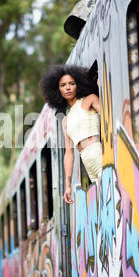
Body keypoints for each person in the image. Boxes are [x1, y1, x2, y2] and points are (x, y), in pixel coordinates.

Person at [40, 64, 102, 204]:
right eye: (63, 85)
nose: (67, 88)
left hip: (97, 152)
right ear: (57, 90)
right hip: (86, 162)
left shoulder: (89, 100)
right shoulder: (65, 121)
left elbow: (108, 118)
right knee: (104, 201)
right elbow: (69, 154)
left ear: (77, 85)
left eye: (71, 84)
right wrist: (67, 186)